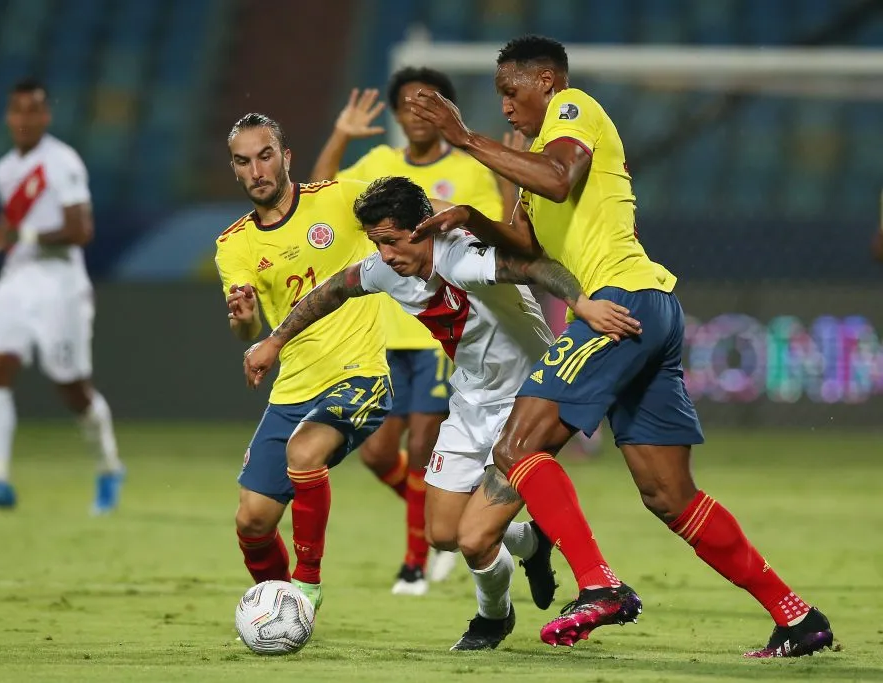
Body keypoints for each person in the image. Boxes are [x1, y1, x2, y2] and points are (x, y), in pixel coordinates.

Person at [408, 34, 833, 657]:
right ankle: (797, 617)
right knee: (670, 496)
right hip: (647, 311)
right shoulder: (537, 157)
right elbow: (525, 243)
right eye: (498, 96)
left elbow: (558, 180)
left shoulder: (574, 109)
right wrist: (471, 218)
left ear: (547, 80)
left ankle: (599, 584)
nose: (505, 106)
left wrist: (466, 138)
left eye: (511, 91)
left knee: (518, 444)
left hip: (620, 304)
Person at [244, 176, 642, 650]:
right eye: (377, 243)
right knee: (443, 533)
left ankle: (492, 620)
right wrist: (275, 339)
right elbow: (334, 289)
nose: (386, 254)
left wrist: (582, 304)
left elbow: (534, 267)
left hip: (530, 400)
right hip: (470, 402)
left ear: (424, 228)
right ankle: (532, 542)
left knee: (475, 541)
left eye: (392, 241)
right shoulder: (386, 269)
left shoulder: (464, 258)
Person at [310, 68, 507, 593]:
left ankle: (415, 563)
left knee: (423, 445)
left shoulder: (468, 169)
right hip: (385, 331)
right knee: (376, 453)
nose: (417, 115)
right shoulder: (378, 167)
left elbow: (495, 230)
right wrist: (343, 135)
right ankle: (452, 515)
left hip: (442, 333)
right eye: (408, 105)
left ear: (445, 111)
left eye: (429, 104)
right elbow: (322, 194)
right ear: (396, 115)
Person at [216, 112, 391, 612]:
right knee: (251, 521)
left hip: (359, 373)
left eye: (265, 155)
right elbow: (247, 332)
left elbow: (413, 213)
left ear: (286, 157)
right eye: (243, 161)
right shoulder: (234, 244)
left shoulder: (339, 198)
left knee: (305, 455)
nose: (256, 170)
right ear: (235, 169)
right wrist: (244, 318)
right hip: (293, 388)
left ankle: (306, 588)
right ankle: (276, 610)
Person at [0, 78, 124, 514]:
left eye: (33, 110)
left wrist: (18, 233)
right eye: (17, 110)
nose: (24, 118)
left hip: (60, 284)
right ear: (8, 116)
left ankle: (109, 466)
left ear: (45, 116)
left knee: (72, 388)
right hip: (16, 280)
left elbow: (80, 231)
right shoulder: (2, 170)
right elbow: (14, 227)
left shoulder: (61, 162)